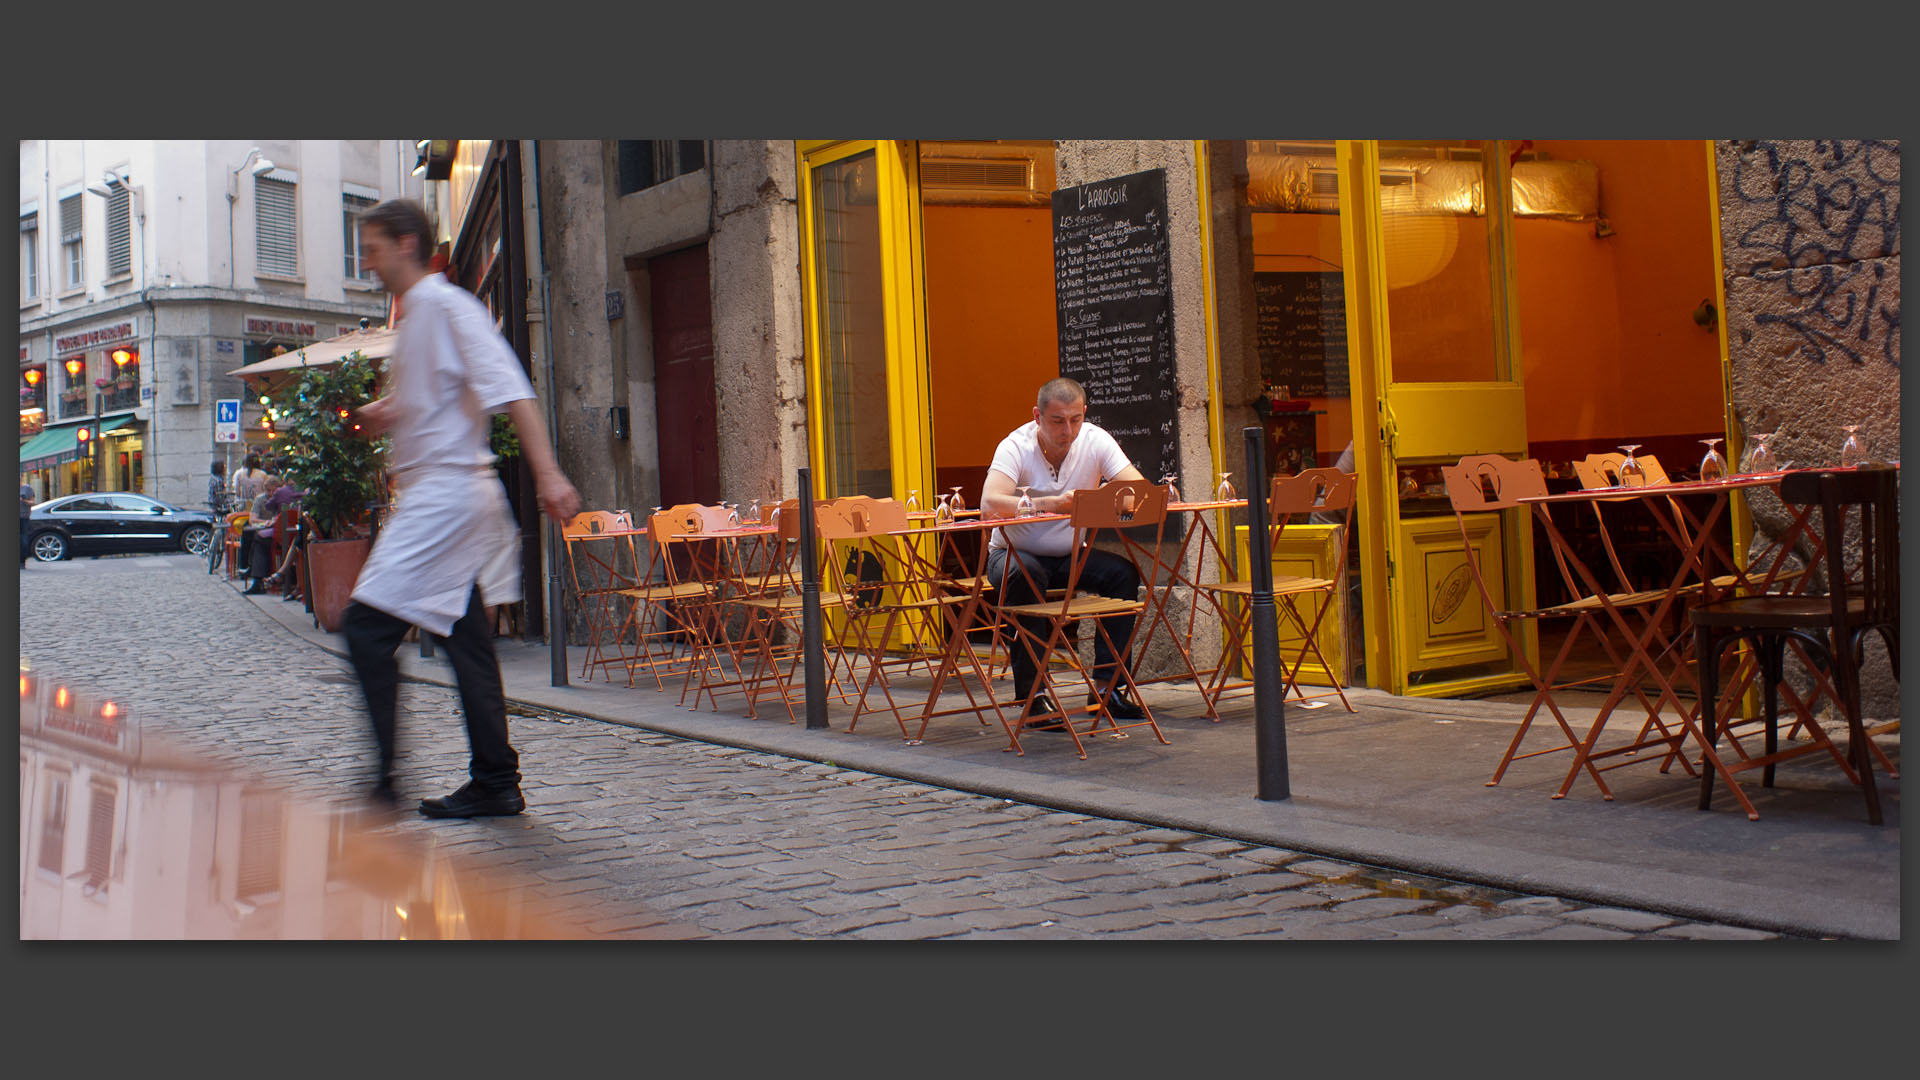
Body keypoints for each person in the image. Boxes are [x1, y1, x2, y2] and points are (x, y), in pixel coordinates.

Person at [345, 198, 580, 819]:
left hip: (446, 499)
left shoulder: (448, 305)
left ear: (403, 244)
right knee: (465, 641)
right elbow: (429, 400)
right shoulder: (417, 317)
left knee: (367, 629)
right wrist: (385, 413)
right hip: (440, 497)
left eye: (371, 248)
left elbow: (511, 388)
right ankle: (497, 780)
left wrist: (549, 475)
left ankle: (384, 782)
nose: (366, 262)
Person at [979, 377, 1148, 729]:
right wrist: (1049, 505)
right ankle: (1033, 697)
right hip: (1012, 553)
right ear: (1037, 416)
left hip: (1070, 554)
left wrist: (1117, 498)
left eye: (1075, 419)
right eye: (1058, 421)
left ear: (1084, 413)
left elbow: (1136, 490)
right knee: (1025, 574)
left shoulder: (1095, 439)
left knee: (1123, 574)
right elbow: (990, 503)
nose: (1068, 430)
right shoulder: (1015, 446)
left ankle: (1108, 689)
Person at [244, 471, 301, 594]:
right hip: (297, 534)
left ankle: (257, 578)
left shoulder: (281, 493)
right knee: (258, 539)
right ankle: (256, 573)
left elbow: (269, 506)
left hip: (282, 536)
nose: (271, 494)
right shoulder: (302, 492)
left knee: (259, 539)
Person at [20, 482, 35, 569]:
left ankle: (22, 561)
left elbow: (32, 502)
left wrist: (24, 500)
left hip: (24, 517)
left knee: (24, 541)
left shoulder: (27, 488)